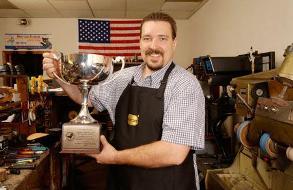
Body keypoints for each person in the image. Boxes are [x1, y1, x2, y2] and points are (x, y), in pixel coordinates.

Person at [43, 12, 205, 190]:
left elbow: (174, 152)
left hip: (169, 184)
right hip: (124, 182)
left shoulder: (185, 84)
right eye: (147, 38)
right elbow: (86, 98)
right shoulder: (122, 78)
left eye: (162, 38)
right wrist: (58, 76)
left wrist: (115, 157)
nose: (154, 46)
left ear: (174, 43)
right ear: (140, 42)